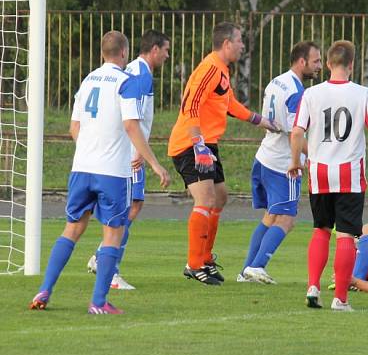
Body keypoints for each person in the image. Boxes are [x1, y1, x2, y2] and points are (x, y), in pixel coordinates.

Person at [29, 31, 170, 314]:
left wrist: (90, 150)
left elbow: (74, 128)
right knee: (113, 234)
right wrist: (154, 163)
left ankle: (44, 289)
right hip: (112, 173)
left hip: (81, 168)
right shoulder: (125, 82)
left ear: (102, 53)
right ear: (124, 53)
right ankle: (98, 302)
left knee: (72, 229)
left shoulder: (87, 80)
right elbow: (132, 125)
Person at [289, 40, 368, 311]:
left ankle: (313, 286)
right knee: (346, 237)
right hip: (349, 175)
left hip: (319, 173)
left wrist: (295, 161)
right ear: (351, 65)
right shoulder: (362, 94)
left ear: (328, 64)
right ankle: (340, 298)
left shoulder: (311, 94)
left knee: (320, 230)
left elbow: (296, 133)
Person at [168, 21, 275, 285]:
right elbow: (190, 104)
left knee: (220, 197)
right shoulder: (209, 68)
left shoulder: (221, 71)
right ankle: (194, 264)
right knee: (205, 199)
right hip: (190, 144)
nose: (242, 46)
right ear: (227, 43)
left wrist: (261, 121)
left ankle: (204, 258)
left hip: (207, 143)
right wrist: (198, 143)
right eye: (240, 41)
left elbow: (229, 105)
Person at [86, 30, 170, 290]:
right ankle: (109, 269)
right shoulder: (141, 75)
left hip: (128, 150)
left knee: (134, 205)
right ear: (154, 49)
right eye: (166, 49)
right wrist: (138, 152)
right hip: (129, 153)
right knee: (126, 209)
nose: (167, 55)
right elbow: (132, 120)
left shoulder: (135, 70)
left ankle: (102, 256)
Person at [239, 41, 322, 284]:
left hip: (264, 156)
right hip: (283, 164)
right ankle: (257, 266)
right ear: (302, 61)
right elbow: (295, 133)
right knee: (286, 219)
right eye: (316, 61)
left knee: (270, 217)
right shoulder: (297, 92)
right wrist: (316, 157)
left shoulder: (276, 81)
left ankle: (246, 271)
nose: (319, 66)